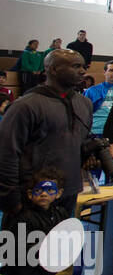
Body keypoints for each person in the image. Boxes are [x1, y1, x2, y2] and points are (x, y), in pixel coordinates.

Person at [0, 49, 99, 216]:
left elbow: (82, 140)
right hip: (34, 195)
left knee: (61, 242)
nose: (83, 71)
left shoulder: (85, 104)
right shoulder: (25, 106)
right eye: (76, 66)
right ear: (53, 69)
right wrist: (11, 200)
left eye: (83, 66)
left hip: (68, 192)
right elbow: (6, 154)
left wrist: (89, 154)